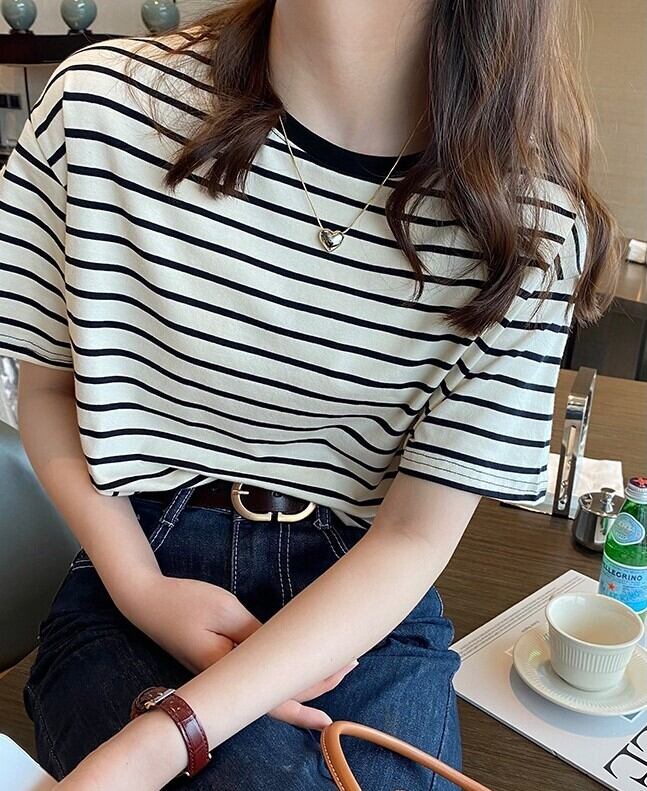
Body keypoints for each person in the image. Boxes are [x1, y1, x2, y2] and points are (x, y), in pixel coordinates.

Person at [0, 0, 621, 788]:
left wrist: (161, 739)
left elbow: (413, 535)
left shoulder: (529, 226)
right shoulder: (98, 109)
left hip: (359, 604)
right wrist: (143, 589)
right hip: (136, 559)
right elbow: (46, 388)